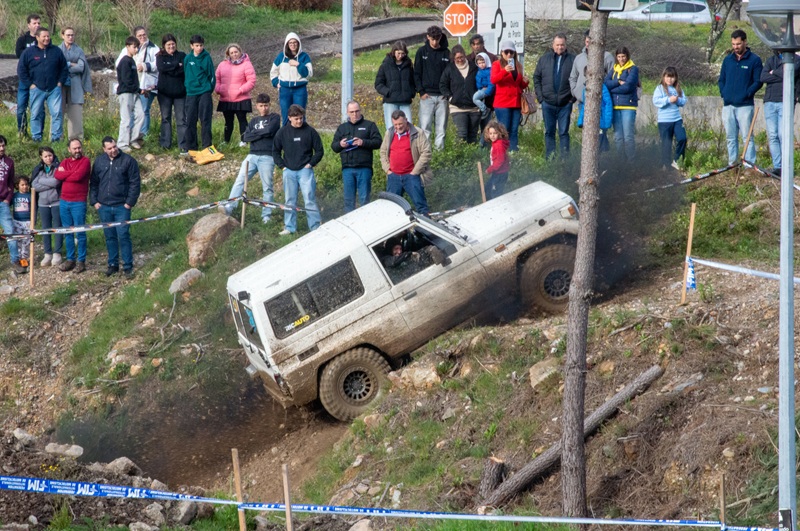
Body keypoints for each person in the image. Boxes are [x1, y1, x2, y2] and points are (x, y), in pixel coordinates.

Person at [222, 93, 281, 223]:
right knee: (240, 181)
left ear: (269, 105)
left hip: (267, 156)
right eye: (261, 106)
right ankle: (229, 207)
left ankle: (266, 215)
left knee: (267, 187)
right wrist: (260, 134)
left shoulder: (275, 117)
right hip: (252, 155)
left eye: (266, 105)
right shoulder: (254, 121)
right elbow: (246, 137)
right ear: (257, 106)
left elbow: (270, 130)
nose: (264, 108)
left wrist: (255, 133)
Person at [90, 137, 141, 278]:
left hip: (121, 207)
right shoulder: (99, 161)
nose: (113, 150)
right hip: (104, 206)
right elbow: (94, 183)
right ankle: (112, 264)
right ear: (104, 149)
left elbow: (135, 183)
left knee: (123, 235)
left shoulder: (128, 161)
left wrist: (129, 203)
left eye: (114, 147)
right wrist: (94, 201)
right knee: (109, 236)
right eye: (109, 148)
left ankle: (127, 266)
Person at [273, 105, 323, 235]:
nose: (299, 121)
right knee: (290, 200)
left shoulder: (310, 131)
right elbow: (275, 151)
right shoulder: (282, 132)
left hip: (305, 170)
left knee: (309, 198)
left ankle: (315, 226)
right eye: (296, 119)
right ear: (289, 118)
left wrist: (311, 164)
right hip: (289, 170)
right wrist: (282, 166)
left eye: (301, 118)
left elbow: (319, 151)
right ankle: (290, 227)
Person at [718, 29, 762, 165]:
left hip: (745, 106)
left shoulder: (754, 60)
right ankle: (732, 164)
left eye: (738, 44)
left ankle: (749, 166)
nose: (735, 47)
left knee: (747, 137)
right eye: (733, 44)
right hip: (728, 105)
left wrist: (747, 93)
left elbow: (758, 81)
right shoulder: (728, 60)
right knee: (730, 137)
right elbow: (721, 80)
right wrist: (724, 93)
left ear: (744, 42)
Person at [18, 27, 68, 143]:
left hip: (54, 89)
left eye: (48, 36)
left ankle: (56, 138)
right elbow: (21, 70)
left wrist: (60, 82)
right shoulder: (28, 52)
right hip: (37, 89)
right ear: (37, 37)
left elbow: (64, 68)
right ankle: (36, 138)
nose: (46, 38)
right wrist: (30, 85)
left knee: (57, 114)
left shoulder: (56, 51)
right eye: (44, 36)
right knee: (35, 114)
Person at [331, 101, 383, 212]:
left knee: (364, 199)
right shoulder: (342, 128)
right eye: (352, 112)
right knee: (349, 200)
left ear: (360, 110)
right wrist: (340, 144)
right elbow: (334, 147)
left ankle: (365, 224)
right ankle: (350, 224)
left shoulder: (369, 125)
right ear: (347, 113)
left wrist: (363, 142)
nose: (355, 114)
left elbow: (378, 142)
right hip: (347, 168)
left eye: (357, 111)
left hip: (364, 167)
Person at [379, 110, 432, 214]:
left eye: (400, 124)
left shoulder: (417, 133)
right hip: (393, 176)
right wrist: (387, 170)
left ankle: (426, 227)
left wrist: (415, 172)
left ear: (406, 121)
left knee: (421, 205)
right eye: (395, 125)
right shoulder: (389, 133)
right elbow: (383, 152)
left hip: (411, 176)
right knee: (391, 207)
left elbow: (426, 152)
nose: (398, 127)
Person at [534, 33, 576, 159]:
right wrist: (541, 98)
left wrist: (572, 99)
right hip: (548, 103)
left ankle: (564, 161)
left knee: (564, 133)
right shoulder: (544, 59)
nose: (560, 47)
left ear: (566, 45)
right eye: (557, 45)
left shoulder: (573, 60)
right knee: (549, 133)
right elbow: (536, 77)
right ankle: (550, 160)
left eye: (562, 45)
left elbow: (579, 79)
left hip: (565, 103)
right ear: (553, 45)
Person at [760, 50, 800, 176]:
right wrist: (781, 73)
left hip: (786, 101)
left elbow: (791, 73)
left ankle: (787, 167)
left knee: (784, 135)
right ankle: (778, 167)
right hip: (770, 101)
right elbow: (763, 77)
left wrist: (774, 72)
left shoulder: (797, 59)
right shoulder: (771, 60)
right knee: (773, 135)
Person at [116, 26, 159, 138]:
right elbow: (118, 64)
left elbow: (158, 63)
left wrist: (146, 66)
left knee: (143, 111)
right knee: (129, 115)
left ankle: (142, 135)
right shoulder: (127, 51)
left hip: (146, 83)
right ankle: (128, 137)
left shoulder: (154, 48)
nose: (142, 37)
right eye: (139, 35)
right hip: (131, 86)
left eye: (144, 34)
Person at [56, 139, 91, 273]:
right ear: (69, 150)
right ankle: (70, 259)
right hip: (64, 201)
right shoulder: (65, 162)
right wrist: (70, 173)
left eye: (79, 148)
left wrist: (66, 174)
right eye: (74, 148)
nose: (77, 150)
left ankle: (81, 261)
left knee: (80, 232)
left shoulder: (85, 161)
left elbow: (78, 176)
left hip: (78, 202)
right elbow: (57, 175)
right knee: (67, 232)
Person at [414, 25, 450, 150]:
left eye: (437, 39)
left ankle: (439, 154)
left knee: (441, 128)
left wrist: (447, 93)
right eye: (432, 39)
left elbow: (449, 75)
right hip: (427, 95)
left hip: (442, 96)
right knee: (425, 127)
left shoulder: (446, 52)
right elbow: (417, 73)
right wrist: (421, 91)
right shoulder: (422, 52)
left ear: (440, 37)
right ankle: (425, 152)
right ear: (428, 37)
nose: (435, 42)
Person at [490, 40, 529, 152]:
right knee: (504, 129)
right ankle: (501, 152)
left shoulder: (518, 65)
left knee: (514, 129)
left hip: (515, 102)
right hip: (502, 103)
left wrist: (525, 82)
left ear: (514, 53)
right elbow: (493, 80)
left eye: (511, 52)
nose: (508, 55)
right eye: (506, 52)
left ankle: (513, 152)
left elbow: (519, 85)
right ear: (502, 53)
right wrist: (505, 71)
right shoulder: (497, 64)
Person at [215, 43, 256, 146]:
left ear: (240, 51)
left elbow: (251, 81)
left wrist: (241, 90)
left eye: (236, 52)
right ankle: (226, 140)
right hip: (226, 98)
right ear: (228, 54)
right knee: (228, 121)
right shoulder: (222, 65)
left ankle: (244, 141)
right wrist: (218, 89)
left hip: (241, 98)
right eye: (231, 53)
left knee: (242, 120)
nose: (234, 54)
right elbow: (216, 78)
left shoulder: (246, 64)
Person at [439, 44, 481, 144]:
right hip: (457, 107)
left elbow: (481, 81)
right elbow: (442, 84)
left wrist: (480, 96)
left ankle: (473, 158)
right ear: (453, 58)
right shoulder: (450, 69)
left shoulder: (474, 67)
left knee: (473, 135)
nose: (460, 59)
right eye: (457, 58)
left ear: (465, 55)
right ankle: (460, 156)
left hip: (474, 107)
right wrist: (450, 98)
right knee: (462, 134)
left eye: (462, 57)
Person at [604, 46, 639, 161]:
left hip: (628, 106)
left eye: (623, 56)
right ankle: (620, 161)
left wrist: (612, 89)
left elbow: (628, 87)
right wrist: (618, 82)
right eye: (619, 56)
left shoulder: (633, 69)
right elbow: (605, 84)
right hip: (615, 106)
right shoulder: (613, 70)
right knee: (618, 137)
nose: (621, 59)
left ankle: (631, 161)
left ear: (627, 56)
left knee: (628, 136)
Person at [270, 33, 313, 125]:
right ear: (287, 44)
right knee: (286, 116)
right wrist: (276, 83)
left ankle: (302, 137)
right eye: (290, 43)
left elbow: (308, 74)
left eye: (295, 43)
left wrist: (298, 64)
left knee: (300, 116)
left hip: (299, 90)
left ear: (298, 44)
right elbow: (273, 72)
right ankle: (286, 137)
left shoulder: (304, 57)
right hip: (284, 90)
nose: (293, 45)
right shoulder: (281, 57)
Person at [31, 146, 62, 267]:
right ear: (41, 157)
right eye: (45, 156)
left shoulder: (58, 167)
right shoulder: (38, 169)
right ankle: (47, 253)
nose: (48, 158)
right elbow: (34, 185)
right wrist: (50, 184)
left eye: (50, 155)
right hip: (43, 203)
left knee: (58, 228)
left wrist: (42, 181)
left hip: (56, 202)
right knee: (45, 229)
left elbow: (56, 181)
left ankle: (57, 253)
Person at [374, 40, 416, 130]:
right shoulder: (385, 65)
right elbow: (378, 83)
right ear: (394, 52)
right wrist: (388, 92)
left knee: (408, 127)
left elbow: (413, 81)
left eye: (403, 54)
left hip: (405, 101)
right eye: (398, 53)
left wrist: (411, 93)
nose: (400, 56)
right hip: (390, 101)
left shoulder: (409, 65)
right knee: (391, 128)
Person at [155, 34, 187, 151]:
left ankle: (183, 145)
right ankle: (165, 144)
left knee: (181, 119)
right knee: (165, 118)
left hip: (180, 93)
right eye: (168, 44)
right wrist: (175, 65)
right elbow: (161, 68)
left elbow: (183, 69)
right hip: (164, 93)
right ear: (164, 45)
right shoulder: (160, 57)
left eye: (173, 44)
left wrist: (171, 67)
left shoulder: (182, 55)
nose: (171, 46)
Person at [59, 27, 92, 140]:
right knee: (58, 111)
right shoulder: (58, 50)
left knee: (76, 111)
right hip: (61, 83)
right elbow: (57, 67)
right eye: (68, 35)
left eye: (72, 35)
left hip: (75, 83)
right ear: (62, 35)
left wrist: (66, 66)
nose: (70, 37)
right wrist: (71, 64)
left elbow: (81, 67)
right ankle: (57, 138)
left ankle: (76, 139)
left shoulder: (79, 50)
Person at [184, 34, 215, 151]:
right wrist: (188, 87)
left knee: (205, 119)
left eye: (201, 45)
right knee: (190, 119)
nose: (199, 48)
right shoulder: (188, 59)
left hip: (204, 92)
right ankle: (191, 147)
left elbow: (211, 76)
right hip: (191, 93)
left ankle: (206, 146)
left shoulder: (207, 58)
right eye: (197, 45)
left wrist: (208, 89)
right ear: (192, 46)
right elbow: (186, 74)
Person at [653, 67, 688, 171]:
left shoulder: (678, 89)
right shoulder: (659, 88)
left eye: (672, 77)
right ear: (664, 77)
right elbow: (656, 101)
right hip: (664, 121)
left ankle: (677, 161)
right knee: (666, 144)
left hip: (677, 119)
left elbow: (683, 101)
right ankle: (666, 165)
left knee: (682, 138)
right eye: (668, 77)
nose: (670, 79)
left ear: (675, 78)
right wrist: (668, 100)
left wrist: (677, 100)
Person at [569, 29, 615, 105]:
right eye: (587, 42)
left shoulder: (607, 57)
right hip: (582, 100)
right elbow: (573, 77)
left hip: (601, 101)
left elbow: (613, 78)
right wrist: (575, 91)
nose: (588, 44)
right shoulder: (578, 58)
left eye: (591, 42)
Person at [116, 36, 145, 153]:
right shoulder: (124, 61)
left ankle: (133, 139)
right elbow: (126, 80)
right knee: (126, 119)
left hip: (134, 93)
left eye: (137, 47)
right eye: (134, 47)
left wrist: (138, 90)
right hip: (126, 93)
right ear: (127, 46)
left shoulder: (132, 61)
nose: (136, 49)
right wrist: (139, 90)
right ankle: (122, 144)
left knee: (141, 115)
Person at [0, 137, 24, 274]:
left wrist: (8, 199)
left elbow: (10, 184)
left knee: (10, 232)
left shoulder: (9, 162)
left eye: (3, 145)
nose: (2, 148)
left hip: (3, 203)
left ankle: (15, 260)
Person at [15, 14, 41, 138]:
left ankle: (38, 134)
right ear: (28, 25)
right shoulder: (22, 40)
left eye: (39, 23)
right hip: (25, 80)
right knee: (21, 108)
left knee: (38, 109)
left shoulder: (43, 38)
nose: (37, 25)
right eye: (34, 23)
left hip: (39, 80)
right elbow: (20, 56)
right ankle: (22, 132)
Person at [577, 66, 613, 153]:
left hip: (601, 121)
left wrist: (607, 121)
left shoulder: (602, 88)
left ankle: (606, 160)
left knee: (601, 142)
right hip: (589, 122)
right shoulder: (585, 89)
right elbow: (584, 106)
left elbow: (608, 104)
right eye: (588, 75)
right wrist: (581, 121)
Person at [483, 120, 510, 199]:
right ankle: (489, 205)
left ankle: (495, 208)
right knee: (488, 189)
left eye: (495, 133)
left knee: (495, 193)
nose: (492, 136)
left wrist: (490, 169)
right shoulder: (496, 143)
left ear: (500, 133)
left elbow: (500, 160)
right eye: (490, 133)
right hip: (498, 172)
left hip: (500, 173)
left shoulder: (498, 145)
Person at [12, 176, 32, 270]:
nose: (25, 187)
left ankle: (25, 258)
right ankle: (19, 259)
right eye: (22, 185)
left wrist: (33, 220)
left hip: (28, 221)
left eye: (26, 184)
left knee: (27, 241)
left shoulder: (30, 196)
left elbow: (34, 208)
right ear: (17, 185)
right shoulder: (14, 196)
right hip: (17, 221)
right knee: (18, 241)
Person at [473, 53, 495, 119]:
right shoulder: (479, 70)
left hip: (486, 89)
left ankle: (484, 109)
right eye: (479, 63)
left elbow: (491, 83)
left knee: (475, 98)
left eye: (483, 62)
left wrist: (487, 92)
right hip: (480, 88)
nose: (481, 65)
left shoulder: (489, 71)